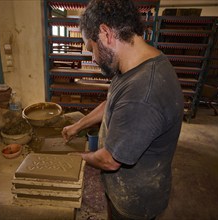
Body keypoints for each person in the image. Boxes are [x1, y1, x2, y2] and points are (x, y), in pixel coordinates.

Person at [62, 0, 184, 219]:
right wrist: (78, 125)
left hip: (135, 200)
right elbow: (112, 101)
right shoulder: (134, 65)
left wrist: (75, 157)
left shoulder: (144, 93)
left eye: (91, 48)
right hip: (120, 186)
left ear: (106, 34)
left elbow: (109, 160)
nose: (93, 57)